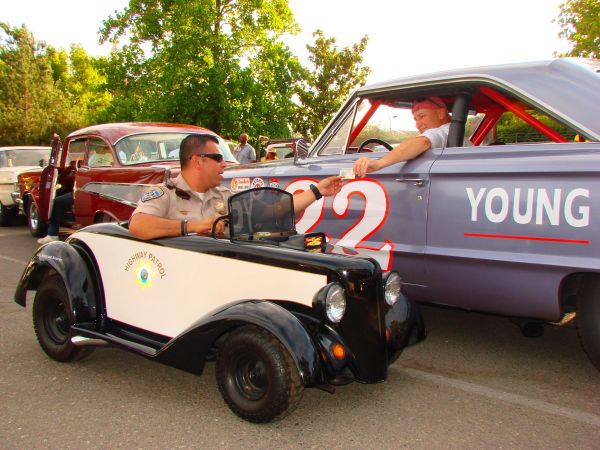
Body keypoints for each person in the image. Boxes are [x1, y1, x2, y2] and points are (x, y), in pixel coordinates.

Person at [129, 134, 343, 240]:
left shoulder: (226, 197)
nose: (224, 164)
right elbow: (138, 225)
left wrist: (317, 191)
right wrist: (193, 226)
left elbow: (273, 210)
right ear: (196, 161)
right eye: (218, 158)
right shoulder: (164, 193)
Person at [353, 96, 453, 177]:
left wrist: (379, 163)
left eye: (422, 116)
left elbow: (423, 142)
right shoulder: (453, 132)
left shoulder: (445, 132)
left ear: (441, 113)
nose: (417, 125)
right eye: (416, 119)